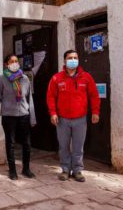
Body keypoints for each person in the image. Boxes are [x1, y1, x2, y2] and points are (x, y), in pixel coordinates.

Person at [46, 49, 100, 182]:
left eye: (75, 57)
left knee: (78, 147)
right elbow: (50, 97)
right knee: (63, 146)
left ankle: (77, 170)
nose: (73, 60)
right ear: (64, 60)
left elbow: (94, 96)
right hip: (62, 119)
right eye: (70, 58)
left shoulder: (86, 77)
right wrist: (53, 113)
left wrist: (95, 112)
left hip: (80, 119)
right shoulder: (56, 78)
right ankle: (65, 170)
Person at [0, 54, 37, 180]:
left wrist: (33, 118)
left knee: (27, 143)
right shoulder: (2, 79)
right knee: (11, 144)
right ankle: (12, 170)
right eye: (11, 61)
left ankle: (26, 169)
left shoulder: (25, 78)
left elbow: (29, 98)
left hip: (24, 115)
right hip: (9, 116)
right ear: (6, 64)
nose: (14, 63)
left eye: (16, 61)